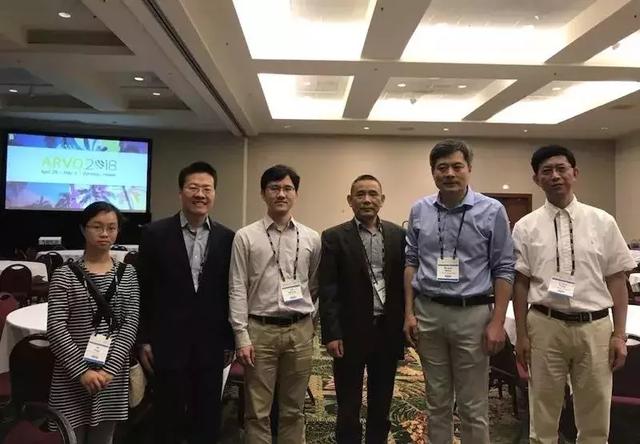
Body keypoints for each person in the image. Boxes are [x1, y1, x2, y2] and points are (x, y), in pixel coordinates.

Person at [512, 145, 635, 444]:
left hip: (595, 327)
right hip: (544, 325)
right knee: (542, 411)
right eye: (547, 171)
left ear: (575, 173)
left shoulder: (602, 222)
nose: (555, 176)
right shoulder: (526, 227)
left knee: (595, 413)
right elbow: (520, 283)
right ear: (536, 179)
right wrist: (522, 335)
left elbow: (617, 280)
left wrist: (619, 335)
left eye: (561, 169)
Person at [403, 139, 515, 444]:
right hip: (429, 313)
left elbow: (504, 268)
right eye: (442, 168)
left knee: (472, 404)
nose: (450, 173)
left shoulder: (492, 210)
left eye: (457, 166)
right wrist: (409, 313)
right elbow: (411, 263)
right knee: (436, 400)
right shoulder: (420, 210)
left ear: (469, 169)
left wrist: (498, 322)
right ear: (433, 172)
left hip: (473, 315)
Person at [137, 161, 235, 444]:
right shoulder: (154, 234)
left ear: (214, 193)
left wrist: (229, 339)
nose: (200, 194)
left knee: (207, 414)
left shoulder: (228, 238)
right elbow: (143, 290)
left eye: (207, 188)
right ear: (181, 192)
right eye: (193, 187)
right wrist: (143, 339)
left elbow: (231, 292)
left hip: (211, 343)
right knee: (167, 414)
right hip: (167, 341)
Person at [229, 164, 321, 444]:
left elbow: (313, 284)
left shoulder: (311, 237)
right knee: (257, 410)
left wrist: (310, 323)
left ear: (296, 194)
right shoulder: (245, 236)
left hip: (299, 331)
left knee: (294, 408)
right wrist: (241, 335)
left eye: (288, 188)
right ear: (263, 193)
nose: (281, 194)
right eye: (274, 188)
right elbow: (237, 287)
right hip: (260, 331)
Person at [319, 174, 405, 443]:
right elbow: (328, 288)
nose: (367, 199)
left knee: (382, 400)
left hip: (386, 331)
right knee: (348, 403)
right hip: (350, 333)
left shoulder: (398, 235)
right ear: (350, 200)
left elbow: (402, 285)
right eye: (360, 194)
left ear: (382, 199)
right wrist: (332, 333)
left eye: (372, 194)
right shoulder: (334, 237)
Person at [48, 201, 139, 444]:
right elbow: (56, 329)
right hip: (71, 377)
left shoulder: (128, 274)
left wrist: (108, 370)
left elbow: (130, 324)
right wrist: (82, 372)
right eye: (97, 227)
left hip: (111, 377)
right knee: (69, 437)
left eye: (111, 227)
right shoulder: (64, 275)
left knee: (104, 438)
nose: (104, 233)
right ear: (83, 229)